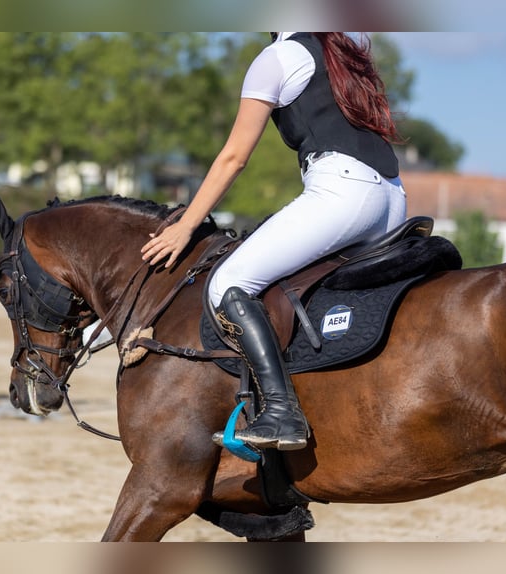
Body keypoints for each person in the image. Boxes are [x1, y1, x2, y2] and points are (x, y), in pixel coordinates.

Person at [140, 32, 407, 451]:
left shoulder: (278, 56)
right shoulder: (340, 54)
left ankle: (281, 413)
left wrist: (186, 224)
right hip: (391, 198)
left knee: (229, 284)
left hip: (343, 192)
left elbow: (235, 156)